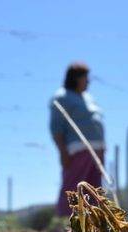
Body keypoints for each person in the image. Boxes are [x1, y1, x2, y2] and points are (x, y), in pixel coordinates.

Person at [50, 62, 105, 216]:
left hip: (96, 150)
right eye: (85, 78)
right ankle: (67, 221)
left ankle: (93, 223)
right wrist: (62, 152)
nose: (88, 81)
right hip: (77, 149)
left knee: (94, 189)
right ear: (75, 78)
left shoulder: (88, 98)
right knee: (74, 187)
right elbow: (56, 127)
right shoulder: (62, 97)